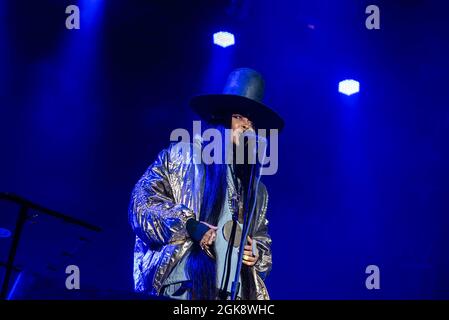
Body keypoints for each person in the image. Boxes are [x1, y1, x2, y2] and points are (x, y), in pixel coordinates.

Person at [129, 68, 284, 300]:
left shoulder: (256, 189)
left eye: (252, 122)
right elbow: (141, 204)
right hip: (186, 284)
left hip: (235, 295)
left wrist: (257, 253)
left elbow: (262, 240)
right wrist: (190, 226)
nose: (246, 127)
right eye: (239, 117)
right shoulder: (184, 155)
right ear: (220, 118)